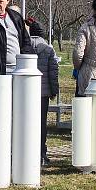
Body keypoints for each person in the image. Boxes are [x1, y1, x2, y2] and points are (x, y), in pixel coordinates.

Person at [26, 18, 59, 166]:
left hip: (26, 92)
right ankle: (41, 153)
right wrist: (54, 90)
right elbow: (53, 72)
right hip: (43, 92)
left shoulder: (24, 46)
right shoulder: (48, 49)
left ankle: (26, 151)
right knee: (41, 123)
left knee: (25, 122)